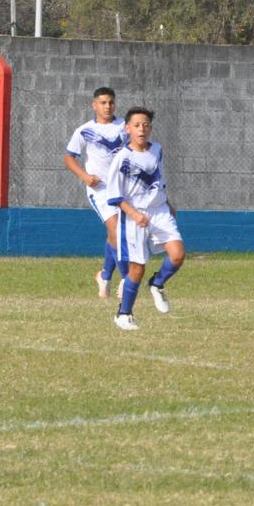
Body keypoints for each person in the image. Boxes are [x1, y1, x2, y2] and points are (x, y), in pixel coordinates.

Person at [105, 107, 185, 331]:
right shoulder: (122, 158)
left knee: (178, 254)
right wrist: (134, 214)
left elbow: (159, 179)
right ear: (127, 128)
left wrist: (168, 203)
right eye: (137, 125)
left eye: (146, 125)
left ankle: (157, 283)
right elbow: (114, 196)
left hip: (159, 211)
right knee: (137, 269)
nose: (142, 129)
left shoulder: (157, 150)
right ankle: (124, 313)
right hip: (134, 215)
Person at [64, 87, 128, 299]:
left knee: (115, 234)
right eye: (103, 102)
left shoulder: (124, 127)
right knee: (117, 230)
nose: (107, 106)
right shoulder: (85, 130)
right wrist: (85, 176)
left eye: (111, 102)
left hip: (122, 188)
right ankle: (127, 278)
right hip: (99, 190)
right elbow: (69, 157)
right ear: (94, 105)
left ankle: (105, 275)